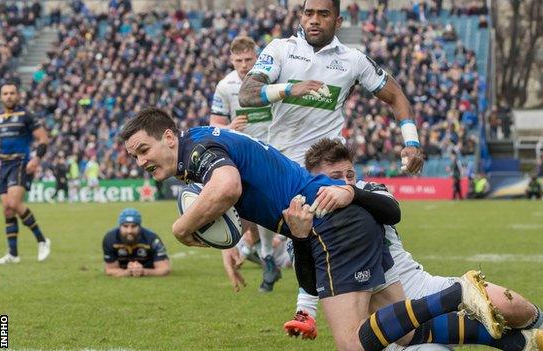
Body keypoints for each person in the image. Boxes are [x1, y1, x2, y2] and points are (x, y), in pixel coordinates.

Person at [120, 107, 503, 351]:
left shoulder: (197, 150)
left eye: (143, 150)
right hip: (344, 220)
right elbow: (240, 198)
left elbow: (227, 187)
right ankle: (510, 339)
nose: (140, 161)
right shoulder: (205, 141)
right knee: (401, 333)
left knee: (353, 343)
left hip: (329, 223)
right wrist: (230, 245)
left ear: (169, 137)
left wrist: (181, 227)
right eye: (134, 156)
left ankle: (457, 293)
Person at [238, 0, 424, 330]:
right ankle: (311, 307)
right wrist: (289, 89)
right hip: (284, 166)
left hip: (329, 164)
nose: (314, 20)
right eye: (308, 13)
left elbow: (396, 95)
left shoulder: (351, 60)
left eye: (323, 14)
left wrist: (411, 141)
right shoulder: (281, 50)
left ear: (337, 21)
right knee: (304, 237)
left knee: (367, 227)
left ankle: (398, 293)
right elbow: (248, 94)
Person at [287, 138, 543, 350]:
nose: (346, 181)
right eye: (335, 177)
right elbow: (310, 284)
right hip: (370, 320)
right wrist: (300, 239)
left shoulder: (366, 190)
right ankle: (520, 344)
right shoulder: (302, 213)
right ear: (313, 179)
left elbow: (392, 212)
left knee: (508, 303)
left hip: (416, 285)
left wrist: (351, 192)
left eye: (350, 174)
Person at [210, 36, 281, 292]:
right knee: (247, 208)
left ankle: (260, 252)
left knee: (267, 204)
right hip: (242, 154)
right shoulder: (225, 86)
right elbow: (215, 124)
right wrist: (229, 127)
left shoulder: (270, 78)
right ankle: (259, 251)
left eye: (248, 59)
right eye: (238, 60)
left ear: (256, 56)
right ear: (231, 60)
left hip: (275, 149)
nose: (243, 65)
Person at [0, 82, 51, 264]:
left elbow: (43, 139)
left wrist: (36, 160)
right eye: (5, 94)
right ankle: (13, 254)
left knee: (14, 202)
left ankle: (42, 240)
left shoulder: (26, 115)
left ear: (18, 96)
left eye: (12, 93)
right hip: (3, 166)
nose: (9, 96)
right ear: (1, 97)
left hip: (21, 163)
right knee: (7, 209)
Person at [102, 208, 171, 277]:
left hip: (147, 268)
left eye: (134, 226)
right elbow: (109, 269)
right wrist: (128, 272)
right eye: (125, 226)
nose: (129, 231)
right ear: (120, 226)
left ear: (140, 226)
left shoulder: (152, 239)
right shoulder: (110, 238)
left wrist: (143, 271)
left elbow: (164, 269)